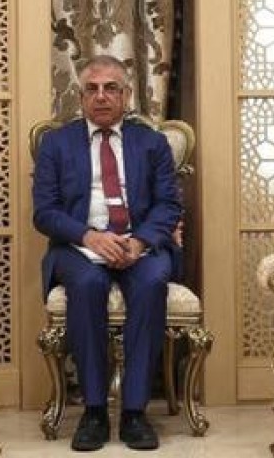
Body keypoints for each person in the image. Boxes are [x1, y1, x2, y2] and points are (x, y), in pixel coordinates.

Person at [32, 55, 182, 451]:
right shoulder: (56, 144)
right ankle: (94, 411)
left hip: (138, 245)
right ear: (81, 96)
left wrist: (139, 242)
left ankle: (134, 412)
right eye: (92, 89)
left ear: (126, 95)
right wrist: (89, 237)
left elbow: (169, 205)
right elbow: (44, 212)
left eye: (110, 88)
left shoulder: (152, 143)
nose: (101, 96)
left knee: (152, 283)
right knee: (87, 286)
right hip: (79, 248)